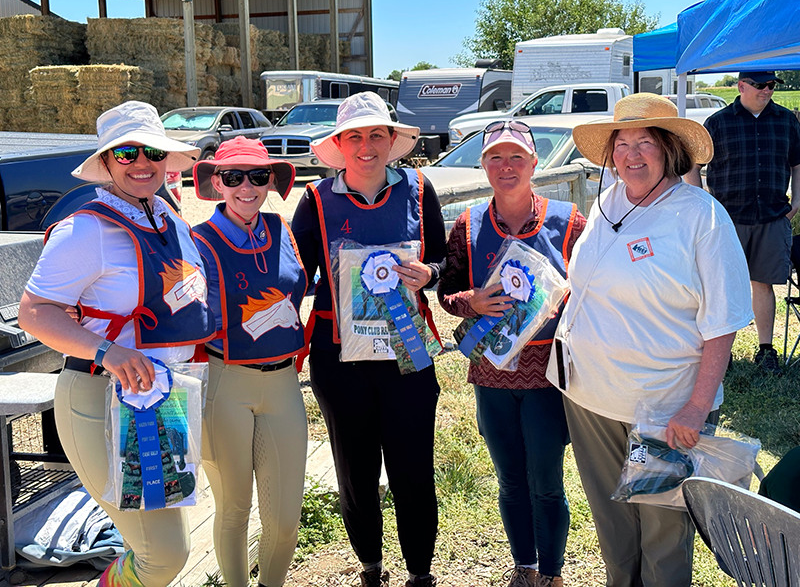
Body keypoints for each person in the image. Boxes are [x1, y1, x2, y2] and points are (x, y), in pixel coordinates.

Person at [550, 93, 753, 586]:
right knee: (613, 530)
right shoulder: (605, 203)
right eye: (622, 143)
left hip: (664, 409)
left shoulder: (701, 216)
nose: (631, 154)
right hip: (590, 399)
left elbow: (723, 322)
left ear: (669, 150)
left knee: (662, 535)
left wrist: (696, 406)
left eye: (645, 142)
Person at [18, 101, 214, 587]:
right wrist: (108, 351)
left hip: (161, 401)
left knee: (157, 549)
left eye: (153, 150)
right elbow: (35, 313)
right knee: (164, 554)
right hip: (98, 398)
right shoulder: (87, 229)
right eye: (126, 153)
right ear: (106, 162)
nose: (142, 162)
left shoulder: (172, 222)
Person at [291, 92, 446, 587]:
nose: (366, 146)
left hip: (408, 356)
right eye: (354, 136)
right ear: (339, 143)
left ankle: (420, 571)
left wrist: (431, 273)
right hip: (341, 361)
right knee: (356, 472)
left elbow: (444, 261)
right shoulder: (315, 202)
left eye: (376, 134)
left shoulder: (420, 190)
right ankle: (370, 567)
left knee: (414, 470)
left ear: (391, 140)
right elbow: (294, 278)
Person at [437, 120, 586, 587]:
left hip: (547, 377)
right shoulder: (468, 223)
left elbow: (593, 293)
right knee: (510, 480)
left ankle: (552, 572)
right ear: (483, 165)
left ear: (534, 163)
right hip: (491, 373)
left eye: (516, 157)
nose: (506, 167)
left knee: (546, 481)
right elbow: (447, 293)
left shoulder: (569, 222)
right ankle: (523, 566)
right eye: (496, 158)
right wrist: (471, 303)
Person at [191, 136, 308, 587]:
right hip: (225, 383)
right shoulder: (197, 240)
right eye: (233, 176)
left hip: (282, 384)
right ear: (216, 182)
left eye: (257, 176)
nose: (246, 187)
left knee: (284, 519)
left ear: (269, 182)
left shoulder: (282, 229)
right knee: (234, 510)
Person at [687, 71, 800, 375]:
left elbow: (797, 163)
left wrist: (798, 200)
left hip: (772, 215)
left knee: (764, 284)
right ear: (742, 86)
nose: (767, 90)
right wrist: (704, 206)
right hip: (728, 219)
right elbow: (693, 167)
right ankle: (720, 354)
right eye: (761, 85)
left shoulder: (787, 121)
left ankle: (766, 351)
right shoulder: (718, 123)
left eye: (771, 85)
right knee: (722, 288)